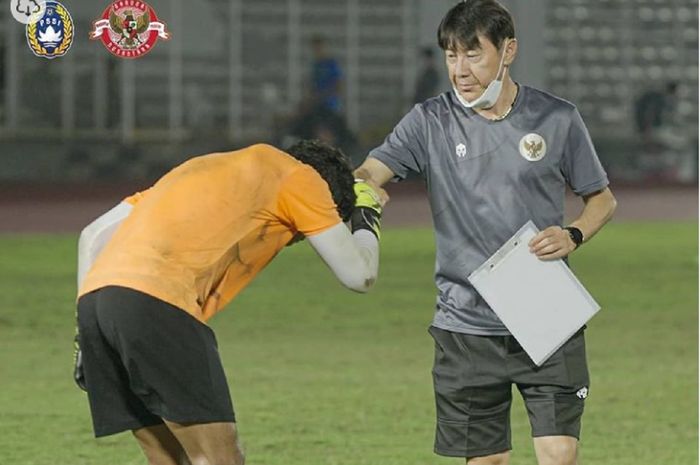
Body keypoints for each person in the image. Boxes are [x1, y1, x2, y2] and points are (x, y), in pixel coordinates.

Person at [354, 1, 617, 464]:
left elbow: (602, 200)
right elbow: (370, 172)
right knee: (487, 460)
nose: (460, 70)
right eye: (452, 56)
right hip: (465, 323)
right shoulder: (429, 122)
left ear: (508, 50)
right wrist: (365, 189)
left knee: (559, 454)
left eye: (473, 55)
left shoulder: (557, 118)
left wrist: (573, 234)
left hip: (545, 315)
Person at [73, 140, 386, 465]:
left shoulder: (202, 167)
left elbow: (92, 235)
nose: (295, 239)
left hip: (97, 305)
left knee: (169, 458)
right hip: (156, 303)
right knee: (219, 459)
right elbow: (359, 276)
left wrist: (85, 336)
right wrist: (367, 211)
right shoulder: (301, 178)